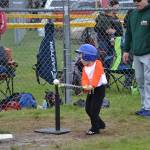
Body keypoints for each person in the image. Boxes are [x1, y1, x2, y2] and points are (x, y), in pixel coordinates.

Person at [123, 0, 150, 116]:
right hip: (137, 54)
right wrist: (126, 50)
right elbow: (128, 33)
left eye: (139, 0)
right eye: (134, 0)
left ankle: (149, 108)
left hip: (148, 53)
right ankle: (145, 106)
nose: (136, 2)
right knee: (140, 80)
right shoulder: (132, 14)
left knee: (148, 80)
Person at [77, 43, 107, 135]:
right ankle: (100, 124)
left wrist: (92, 85)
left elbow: (96, 76)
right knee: (88, 109)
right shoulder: (85, 68)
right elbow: (84, 79)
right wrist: (85, 86)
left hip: (99, 89)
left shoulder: (98, 64)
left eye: (82, 57)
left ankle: (95, 128)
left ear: (88, 57)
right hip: (91, 89)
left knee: (94, 110)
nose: (80, 59)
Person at [94, 0, 123, 84]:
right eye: (115, 7)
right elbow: (108, 30)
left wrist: (113, 32)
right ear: (111, 6)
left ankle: (106, 80)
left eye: (118, 7)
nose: (117, 9)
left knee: (109, 60)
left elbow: (119, 32)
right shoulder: (102, 16)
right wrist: (111, 32)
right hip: (103, 41)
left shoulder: (116, 18)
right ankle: (100, 79)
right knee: (103, 58)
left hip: (112, 42)